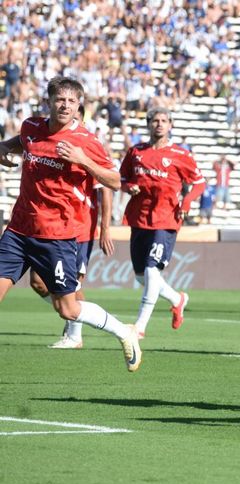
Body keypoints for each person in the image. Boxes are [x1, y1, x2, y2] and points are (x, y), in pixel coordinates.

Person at [0, 76, 141, 371]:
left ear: (79, 106)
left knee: (68, 309)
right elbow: (24, 142)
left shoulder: (86, 141)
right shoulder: (30, 127)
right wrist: (4, 146)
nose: (65, 105)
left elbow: (115, 181)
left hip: (56, 236)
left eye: (71, 101)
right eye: (60, 100)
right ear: (49, 102)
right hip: (18, 231)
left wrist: (83, 160)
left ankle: (124, 332)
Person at [28, 104, 116, 349]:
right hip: (53, 224)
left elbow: (106, 188)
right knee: (37, 281)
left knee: (73, 284)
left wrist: (105, 228)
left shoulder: (87, 145)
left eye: (76, 115)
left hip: (79, 227)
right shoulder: (51, 140)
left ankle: (75, 334)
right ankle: (71, 314)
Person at [119, 107, 206, 339]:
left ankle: (140, 327)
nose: (159, 124)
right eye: (155, 120)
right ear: (148, 124)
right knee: (142, 277)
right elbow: (122, 179)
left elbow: (199, 183)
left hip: (166, 219)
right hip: (140, 218)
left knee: (151, 269)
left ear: (170, 125)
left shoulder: (180, 154)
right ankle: (177, 299)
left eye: (164, 120)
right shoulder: (135, 152)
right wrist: (129, 187)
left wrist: (187, 201)